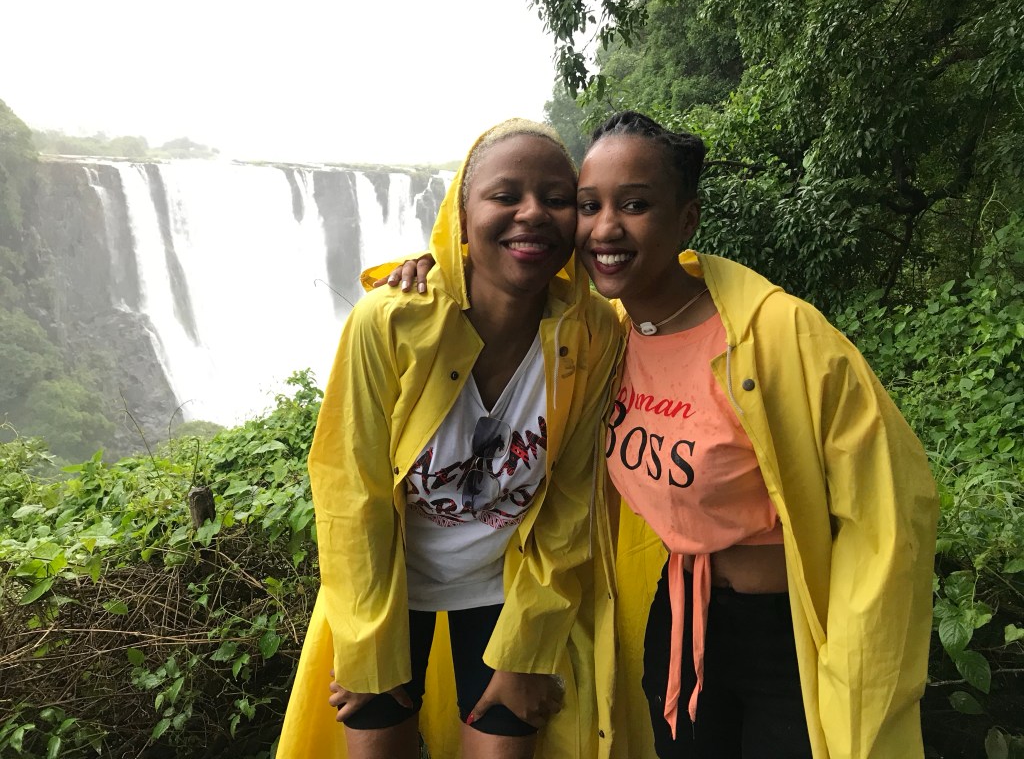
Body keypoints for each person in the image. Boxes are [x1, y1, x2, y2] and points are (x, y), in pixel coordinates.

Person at [380, 111, 940, 759]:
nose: (605, 228)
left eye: (636, 205)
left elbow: (891, 507)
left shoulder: (776, 336)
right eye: (588, 205)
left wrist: (862, 663)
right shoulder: (602, 338)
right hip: (679, 622)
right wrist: (442, 264)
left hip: (791, 633)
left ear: (687, 219)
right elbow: (507, 289)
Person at [276, 119, 621, 759]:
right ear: (460, 216)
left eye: (556, 197)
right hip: (386, 591)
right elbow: (351, 491)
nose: (533, 212)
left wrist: (528, 649)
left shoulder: (592, 332)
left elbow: (572, 500)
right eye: (505, 195)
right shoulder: (389, 322)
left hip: (508, 589)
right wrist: (369, 650)